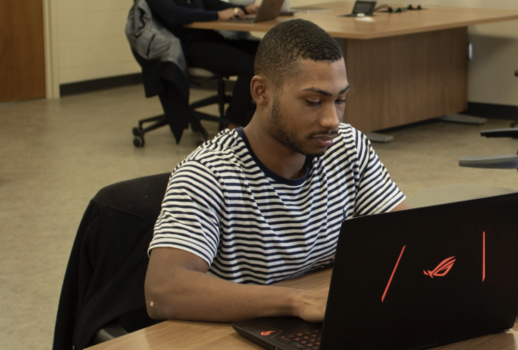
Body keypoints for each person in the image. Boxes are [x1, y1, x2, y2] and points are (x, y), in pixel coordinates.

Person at [145, 19, 410, 324]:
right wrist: (296, 301)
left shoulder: (346, 145)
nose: (332, 120)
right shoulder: (208, 175)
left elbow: (404, 236)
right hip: (235, 343)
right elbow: (163, 290)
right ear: (261, 91)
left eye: (339, 100)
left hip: (321, 323)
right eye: (313, 101)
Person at [146, 0, 261, 129]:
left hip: (209, 38)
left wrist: (243, 9)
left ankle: (252, 111)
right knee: (249, 65)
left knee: (263, 51)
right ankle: (233, 126)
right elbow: (174, 14)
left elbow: (212, 4)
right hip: (186, 47)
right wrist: (217, 15)